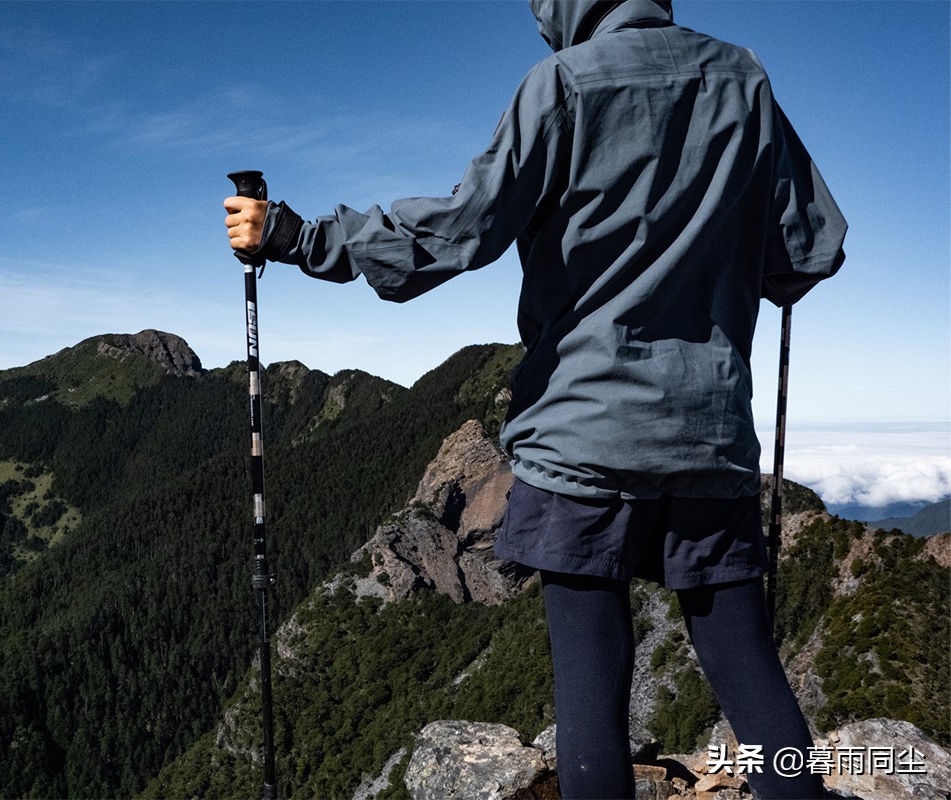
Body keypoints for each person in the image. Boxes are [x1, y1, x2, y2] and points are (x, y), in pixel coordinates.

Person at [224, 1, 845, 797]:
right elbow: (809, 251)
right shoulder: (744, 77)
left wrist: (295, 236)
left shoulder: (560, 86)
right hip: (710, 437)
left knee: (591, 689)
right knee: (749, 672)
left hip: (581, 438)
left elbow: (459, 230)